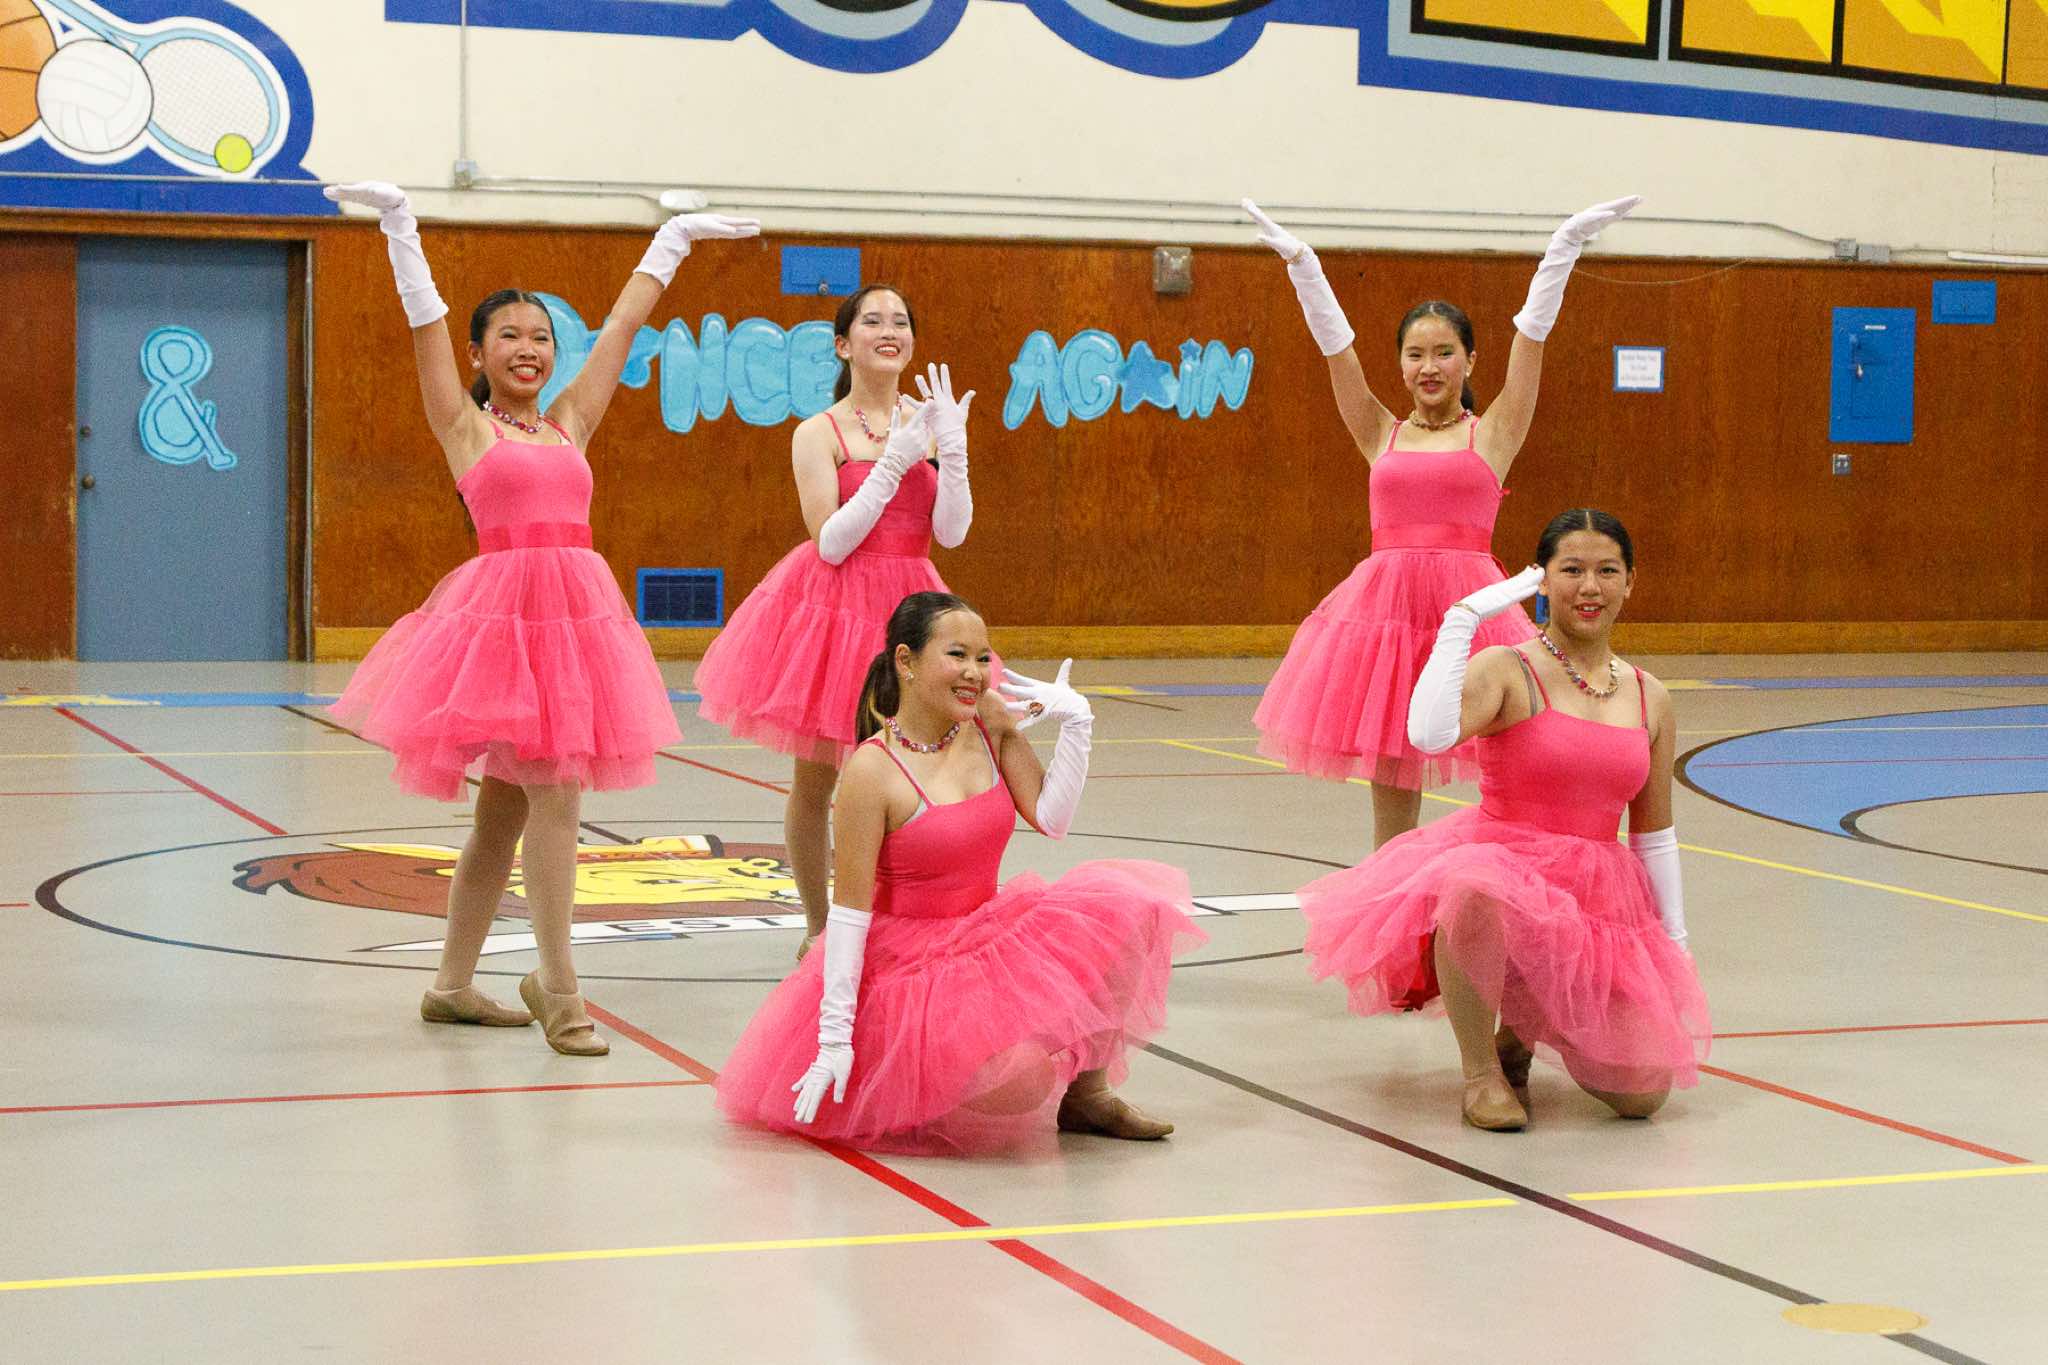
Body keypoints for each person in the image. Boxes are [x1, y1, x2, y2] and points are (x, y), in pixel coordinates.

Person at [326, 180, 758, 1054]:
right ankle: (560, 987)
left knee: (502, 818)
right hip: (501, 627)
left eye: (541, 337)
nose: (528, 349)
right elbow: (423, 328)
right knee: (554, 794)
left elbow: (624, 328)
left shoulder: (569, 422)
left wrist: (670, 243)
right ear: (479, 352)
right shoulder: (464, 427)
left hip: (574, 626)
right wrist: (402, 228)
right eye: (509, 336)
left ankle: (451, 986)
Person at [714, 592, 1204, 1154]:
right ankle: (916, 1073)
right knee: (1019, 1082)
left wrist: (1078, 723)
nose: (975, 672)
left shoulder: (985, 721)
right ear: (906, 660)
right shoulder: (872, 770)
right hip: (910, 965)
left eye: (983, 657)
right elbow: (849, 916)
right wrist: (834, 1038)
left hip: (987, 932)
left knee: (1130, 903)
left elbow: (1051, 818)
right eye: (957, 655)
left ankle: (1088, 1095)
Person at [1245, 196, 1639, 850]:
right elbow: (1337, 350)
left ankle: (1515, 874)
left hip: (1472, 615)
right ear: (1401, 363)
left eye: (1444, 352)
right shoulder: (1379, 431)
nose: (1429, 367)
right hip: (1386, 620)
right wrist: (1304, 268)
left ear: (1470, 360)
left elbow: (1532, 340)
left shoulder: (1495, 433)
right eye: (1415, 354)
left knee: (1516, 756)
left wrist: (1563, 249)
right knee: (1391, 784)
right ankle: (1390, 899)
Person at [1297, 510, 1708, 1131]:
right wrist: (1461, 622)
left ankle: (1519, 1037)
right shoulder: (1506, 668)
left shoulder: (1651, 695)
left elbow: (1654, 834)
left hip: (1596, 892)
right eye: (1571, 570)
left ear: (1631, 582)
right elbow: (1426, 735)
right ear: (1542, 579)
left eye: (1606, 571)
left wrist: (1674, 941)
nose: (1589, 587)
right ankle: (1481, 1072)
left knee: (1641, 1094)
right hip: (1502, 861)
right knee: (1473, 888)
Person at [695, 284, 981, 959]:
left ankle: (897, 915)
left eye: (900, 321)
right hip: (838, 607)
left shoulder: (926, 420)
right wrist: (895, 461)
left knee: (914, 770)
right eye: (872, 320)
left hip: (914, 607)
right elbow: (831, 540)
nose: (889, 331)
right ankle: (820, 928)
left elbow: (951, 531)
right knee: (818, 778)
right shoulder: (817, 432)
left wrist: (954, 452)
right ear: (843, 343)